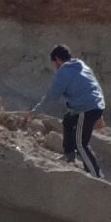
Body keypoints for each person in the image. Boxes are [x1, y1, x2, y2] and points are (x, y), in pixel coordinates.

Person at [31, 45, 106, 178]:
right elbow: (93, 86)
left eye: (54, 63)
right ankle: (69, 155)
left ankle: (96, 175)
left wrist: (35, 112)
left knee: (81, 144)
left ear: (57, 59)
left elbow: (52, 96)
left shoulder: (64, 71)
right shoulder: (82, 66)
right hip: (94, 105)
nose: (55, 66)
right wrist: (99, 111)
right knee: (68, 120)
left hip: (85, 108)